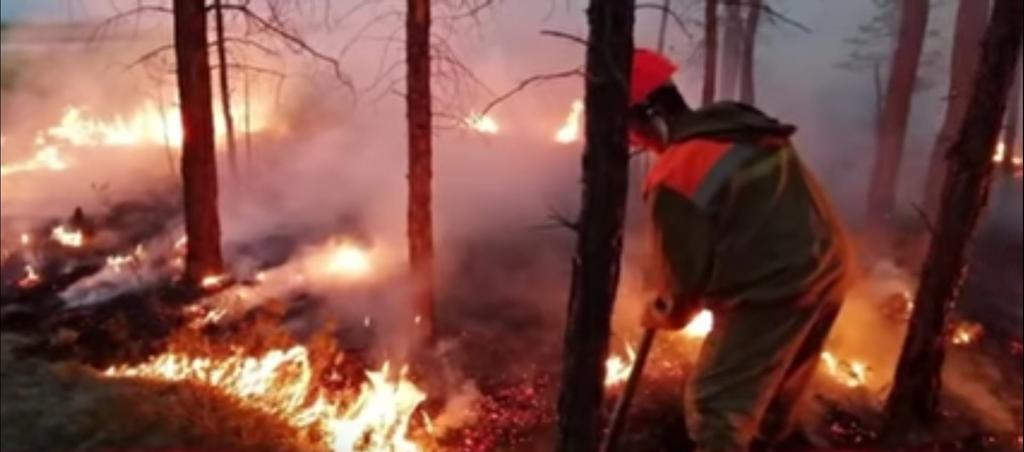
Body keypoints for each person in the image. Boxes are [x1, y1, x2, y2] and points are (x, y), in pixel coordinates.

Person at [630, 48, 856, 452]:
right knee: (777, 392)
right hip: (829, 268)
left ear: (651, 118)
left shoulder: (675, 174)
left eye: (635, 130)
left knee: (716, 406)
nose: (641, 143)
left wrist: (661, 311)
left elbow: (683, 283)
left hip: (774, 289)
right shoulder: (735, 124)